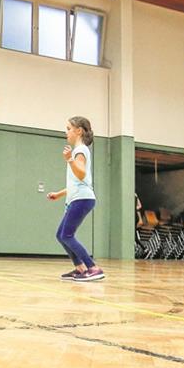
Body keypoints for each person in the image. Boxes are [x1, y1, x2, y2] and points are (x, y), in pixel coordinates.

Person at [46, 116, 103, 282]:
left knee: (67, 235)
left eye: (69, 129)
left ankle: (93, 268)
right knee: (61, 234)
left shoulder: (80, 150)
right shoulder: (80, 150)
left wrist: (70, 159)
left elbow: (81, 173)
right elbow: (78, 181)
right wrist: (59, 193)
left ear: (79, 131)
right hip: (78, 197)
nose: (66, 132)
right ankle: (80, 268)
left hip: (82, 199)